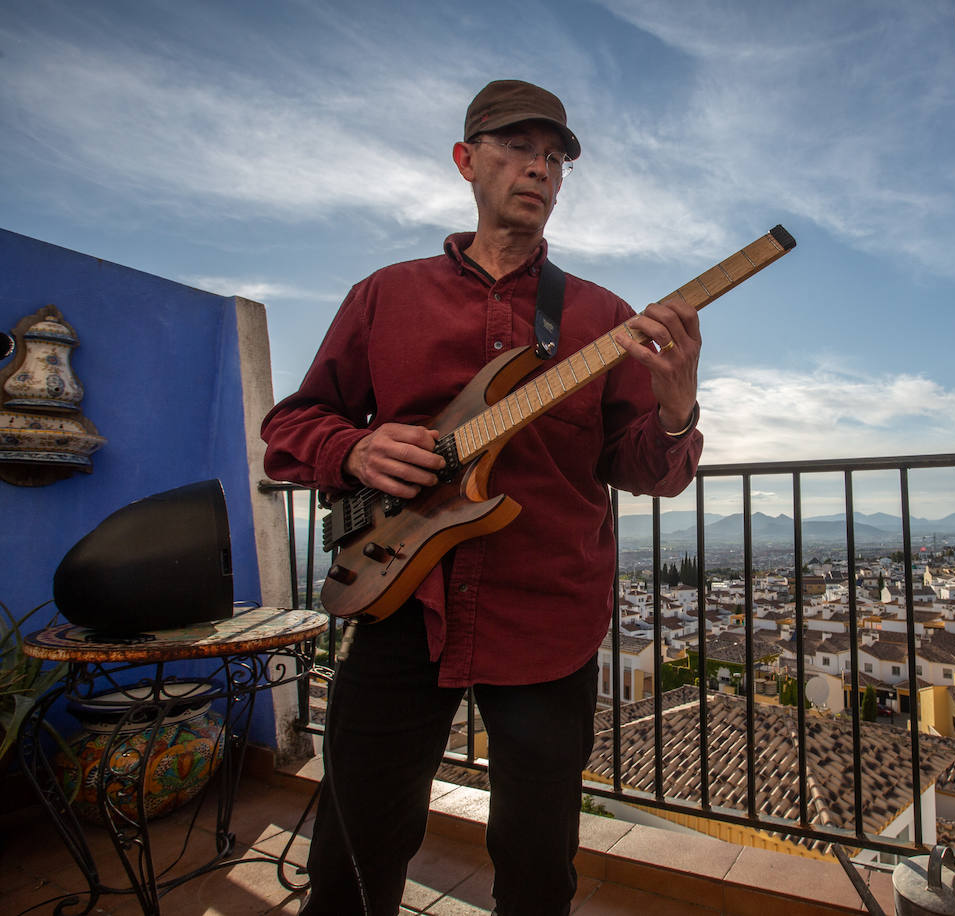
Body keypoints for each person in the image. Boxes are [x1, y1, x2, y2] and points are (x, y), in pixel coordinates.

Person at [261, 79, 703, 916]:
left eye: (554, 158)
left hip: (546, 614)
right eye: (516, 148)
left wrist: (678, 409)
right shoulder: (384, 296)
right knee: (355, 852)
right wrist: (354, 448)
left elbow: (645, 467)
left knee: (538, 860)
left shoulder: (600, 319)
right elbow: (290, 429)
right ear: (467, 162)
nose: (538, 169)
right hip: (397, 598)